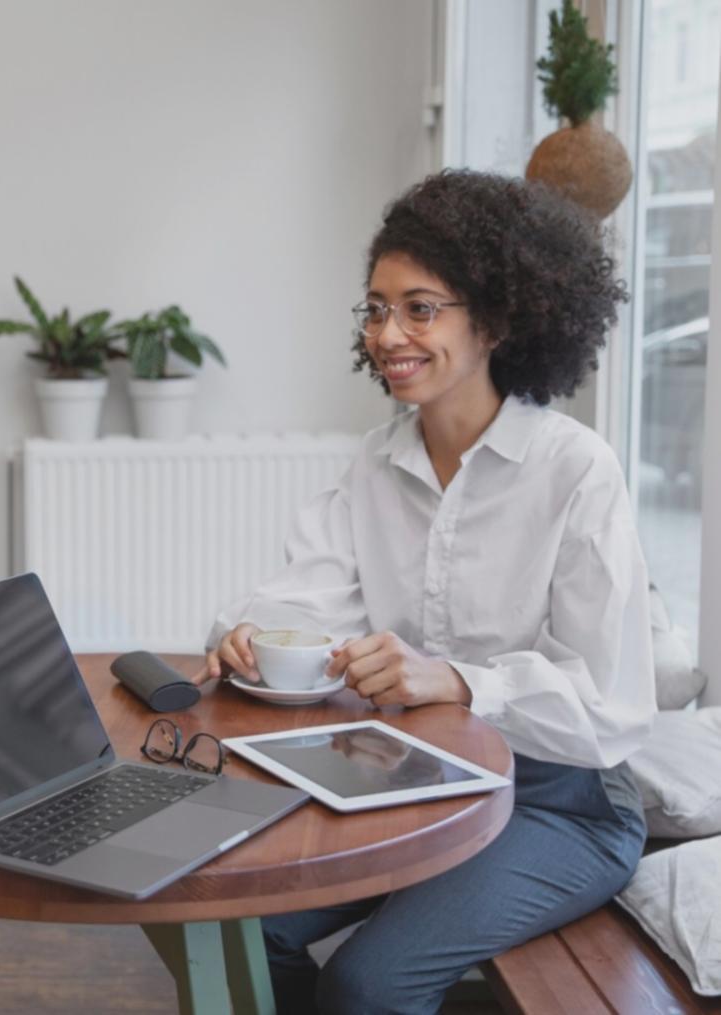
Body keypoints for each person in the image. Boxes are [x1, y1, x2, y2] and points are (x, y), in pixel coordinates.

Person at [197, 170, 655, 1014]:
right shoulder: (377, 461)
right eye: (375, 308)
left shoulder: (574, 469)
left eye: (419, 306)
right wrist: (250, 634)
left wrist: (458, 680)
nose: (387, 333)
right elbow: (304, 595)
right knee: (244, 930)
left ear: (494, 317)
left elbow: (613, 707)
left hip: (561, 803)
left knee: (368, 983)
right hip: (418, 774)